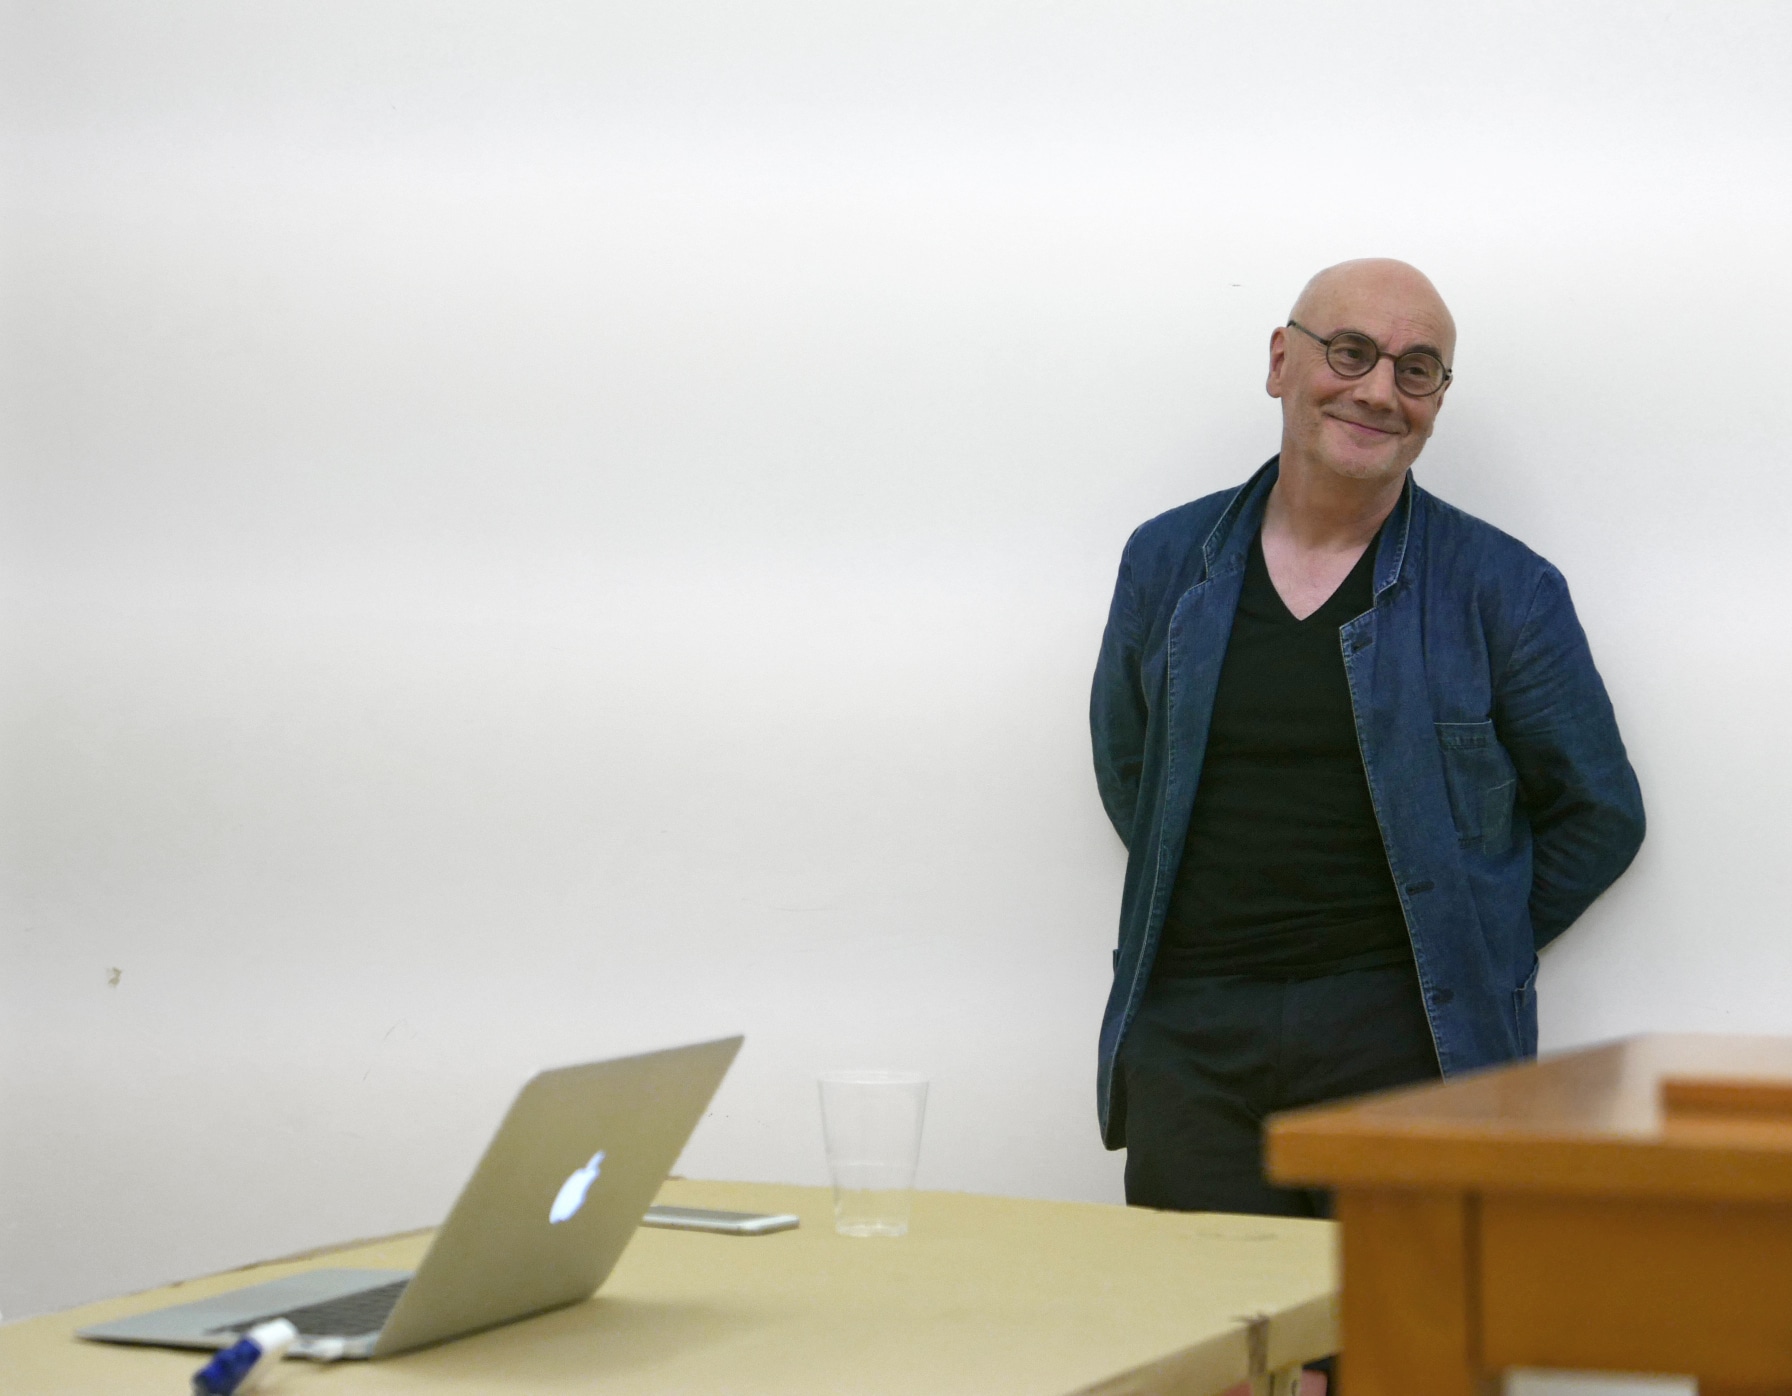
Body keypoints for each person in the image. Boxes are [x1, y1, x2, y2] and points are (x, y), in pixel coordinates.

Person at [1089, 259, 1645, 1220]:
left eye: (1416, 369)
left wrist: (1465, 936)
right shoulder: (1166, 561)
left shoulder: (1505, 590)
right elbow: (1130, 767)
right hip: (1193, 1040)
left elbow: (1599, 814)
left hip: (1412, 1046)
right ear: (1281, 361)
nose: (1380, 391)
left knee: (1399, 1320)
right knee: (1211, 1315)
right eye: (1350, 352)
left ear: (1437, 398)